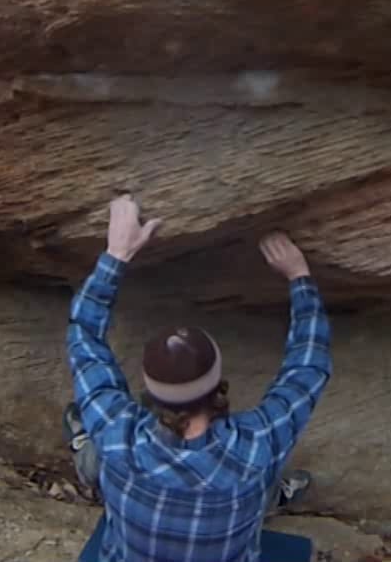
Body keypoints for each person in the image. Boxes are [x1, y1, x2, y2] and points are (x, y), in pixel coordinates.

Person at [63, 193, 332, 562]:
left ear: (148, 384)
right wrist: (299, 276)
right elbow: (308, 367)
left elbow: (83, 334)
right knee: (261, 479)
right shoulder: (258, 444)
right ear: (218, 380)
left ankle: (82, 445)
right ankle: (274, 497)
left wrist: (117, 253)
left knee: (97, 452)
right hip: (245, 486)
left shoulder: (117, 432)